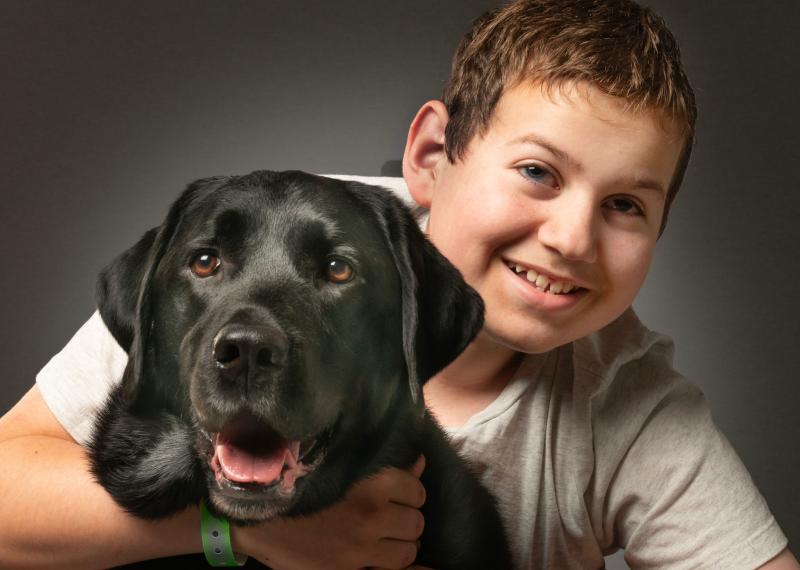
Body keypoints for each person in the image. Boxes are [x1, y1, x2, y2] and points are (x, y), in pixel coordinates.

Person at [0, 0, 796, 568]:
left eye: (625, 204)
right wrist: (235, 531)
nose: (571, 238)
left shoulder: (633, 406)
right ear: (431, 156)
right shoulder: (244, 246)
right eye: (536, 172)